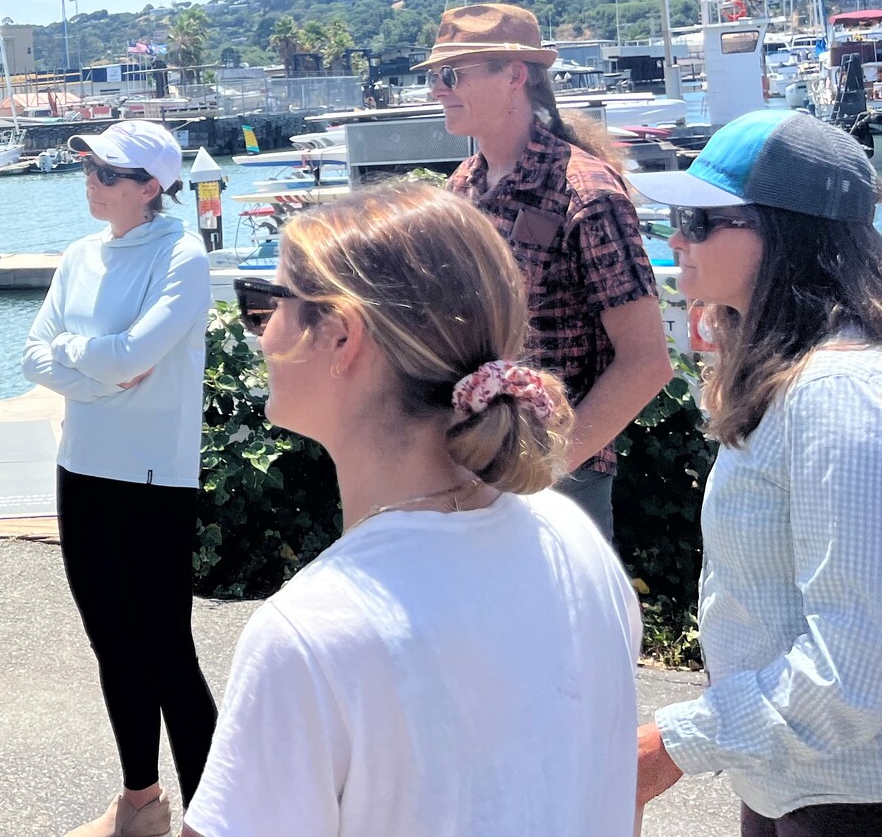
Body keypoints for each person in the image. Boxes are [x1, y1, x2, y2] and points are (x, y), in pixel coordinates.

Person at [182, 182, 641, 837]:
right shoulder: (575, 542)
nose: (261, 333)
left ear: (340, 336)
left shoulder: (311, 635)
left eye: (267, 304)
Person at [628, 110, 882, 833]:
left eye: (701, 220)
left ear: (785, 234)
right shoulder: (794, 377)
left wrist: (674, 744)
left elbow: (858, 666)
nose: (677, 238)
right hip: (789, 777)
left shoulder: (837, 393)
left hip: (846, 796)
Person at [21, 119, 216, 837]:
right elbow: (35, 356)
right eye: (89, 168)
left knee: (167, 654)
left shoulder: (182, 255)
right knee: (110, 642)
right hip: (81, 467)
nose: (91, 182)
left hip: (152, 476)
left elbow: (139, 353)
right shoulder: (79, 255)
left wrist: (85, 361)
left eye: (106, 173)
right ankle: (141, 803)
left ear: (150, 187)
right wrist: (103, 368)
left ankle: (216, 820)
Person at [423, 3, 674, 540]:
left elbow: (646, 361)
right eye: (434, 76)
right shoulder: (463, 186)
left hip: (562, 485)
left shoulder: (587, 193)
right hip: (471, 470)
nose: (436, 91)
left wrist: (546, 467)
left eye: (450, 74)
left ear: (514, 76)